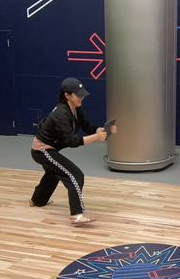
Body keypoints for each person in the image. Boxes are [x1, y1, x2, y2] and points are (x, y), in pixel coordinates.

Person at [28, 77, 116, 224]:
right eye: (78, 94)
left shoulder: (75, 108)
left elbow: (87, 126)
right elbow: (71, 140)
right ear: (67, 95)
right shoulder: (61, 113)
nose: (82, 97)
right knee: (75, 175)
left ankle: (36, 200)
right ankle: (76, 214)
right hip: (42, 151)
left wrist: (102, 130)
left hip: (51, 148)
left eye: (82, 94)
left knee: (53, 173)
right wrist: (96, 137)